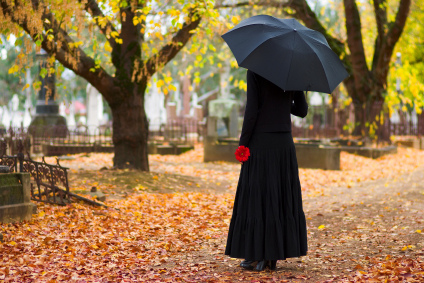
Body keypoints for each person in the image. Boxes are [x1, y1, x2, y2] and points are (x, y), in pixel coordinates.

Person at [225, 70, 308, 271]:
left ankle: (257, 254)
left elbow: (252, 110)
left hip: (261, 143)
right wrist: (281, 102)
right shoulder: (291, 70)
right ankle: (271, 257)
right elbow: (302, 110)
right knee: (278, 197)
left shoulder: (255, 69)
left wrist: (243, 143)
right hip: (283, 145)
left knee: (258, 197)